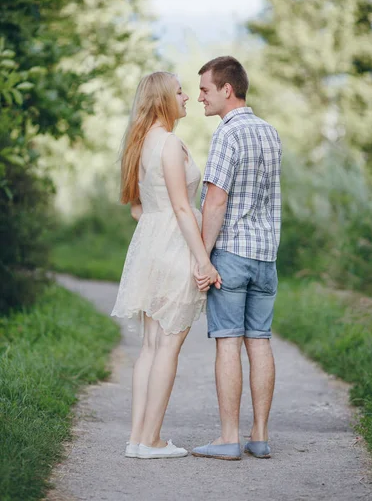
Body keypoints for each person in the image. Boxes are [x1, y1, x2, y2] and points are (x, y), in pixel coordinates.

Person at [111, 71, 220, 459]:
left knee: (150, 347)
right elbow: (179, 206)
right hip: (175, 246)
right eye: (179, 92)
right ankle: (152, 440)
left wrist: (160, 235)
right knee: (168, 346)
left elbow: (139, 210)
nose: (187, 96)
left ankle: (137, 439)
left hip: (148, 246)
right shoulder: (170, 144)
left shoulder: (139, 145)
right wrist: (202, 259)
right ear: (162, 100)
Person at [192, 56, 282, 461]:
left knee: (227, 343)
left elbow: (216, 200)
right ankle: (259, 436)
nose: (200, 98)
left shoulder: (227, 135)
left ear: (227, 90)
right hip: (266, 256)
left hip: (231, 253)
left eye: (205, 90)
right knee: (259, 342)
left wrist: (203, 257)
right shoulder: (270, 132)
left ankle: (229, 438)